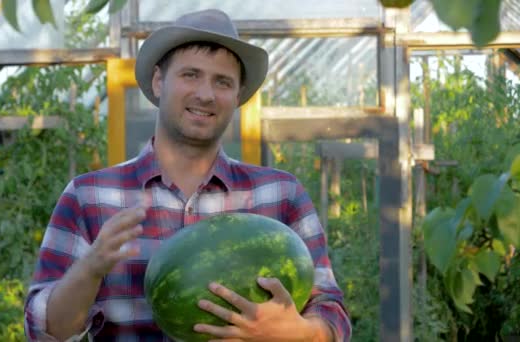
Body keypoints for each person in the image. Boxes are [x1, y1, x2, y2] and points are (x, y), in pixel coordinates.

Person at [24, 8, 351, 342]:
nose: (205, 94)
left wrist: (299, 333)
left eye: (222, 82)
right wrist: (90, 268)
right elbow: (44, 332)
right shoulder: (88, 196)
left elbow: (331, 313)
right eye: (190, 75)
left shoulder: (282, 194)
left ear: (237, 96)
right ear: (158, 81)